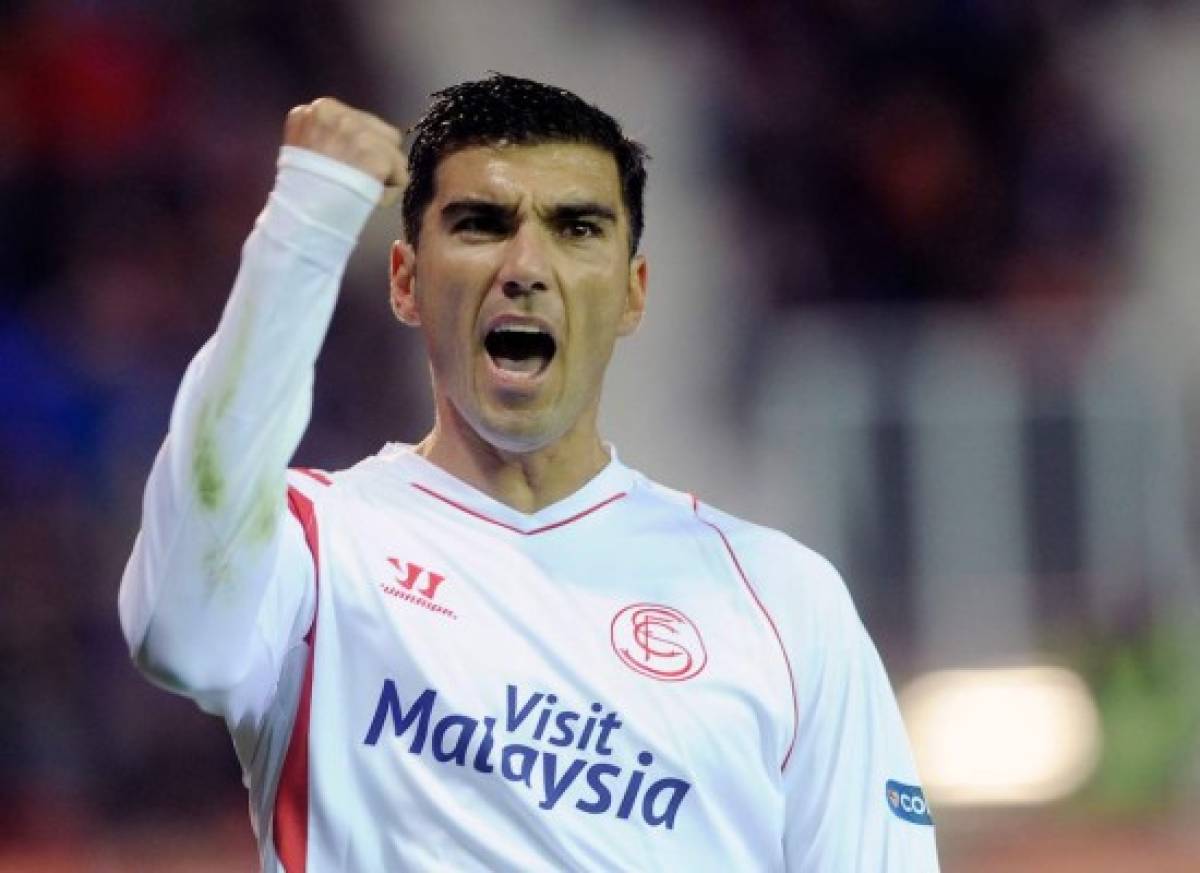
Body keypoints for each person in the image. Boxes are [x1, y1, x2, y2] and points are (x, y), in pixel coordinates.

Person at [118, 74, 939, 872]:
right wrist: (304, 219)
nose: (526, 266)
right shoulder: (314, 544)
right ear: (405, 280)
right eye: (481, 223)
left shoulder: (785, 600)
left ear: (632, 294)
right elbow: (179, 632)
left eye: (577, 227)